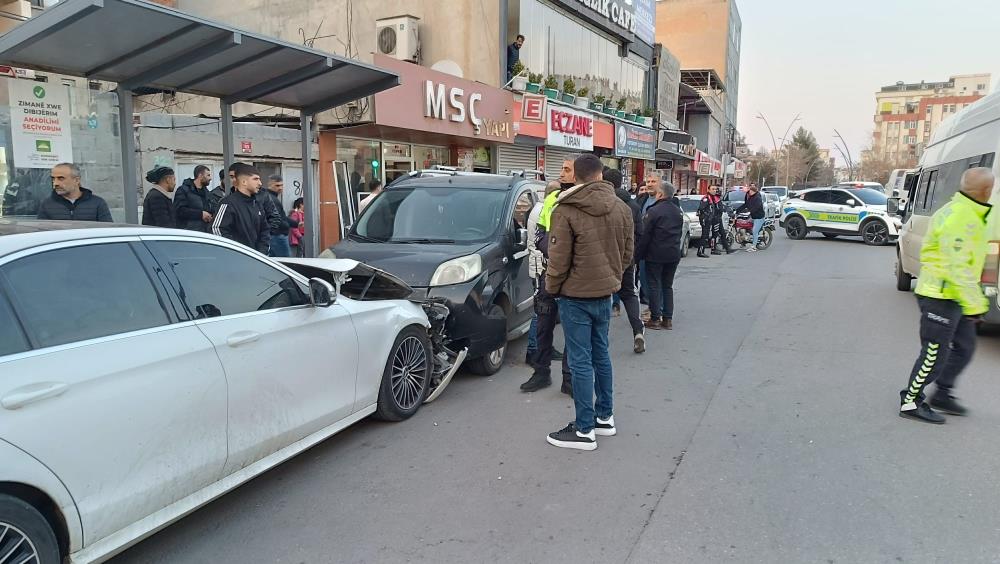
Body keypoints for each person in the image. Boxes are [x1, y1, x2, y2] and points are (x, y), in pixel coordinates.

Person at [545, 154, 633, 451]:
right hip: (605, 293)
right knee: (601, 354)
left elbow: (558, 260)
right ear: (600, 174)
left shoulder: (566, 209)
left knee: (580, 360)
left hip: (575, 296)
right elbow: (627, 254)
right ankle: (604, 418)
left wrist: (553, 288)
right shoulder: (621, 207)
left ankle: (584, 430)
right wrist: (612, 278)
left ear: (576, 176)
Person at [899, 167, 995, 424]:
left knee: (965, 347)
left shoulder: (978, 214)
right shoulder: (958, 218)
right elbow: (956, 265)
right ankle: (911, 400)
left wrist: (972, 299)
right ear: (987, 190)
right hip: (939, 295)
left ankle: (942, 394)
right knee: (934, 351)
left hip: (957, 295)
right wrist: (975, 303)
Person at [520, 173, 571, 394]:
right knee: (543, 326)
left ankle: (569, 379)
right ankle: (541, 372)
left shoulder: (580, 199)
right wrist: (555, 248)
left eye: (567, 169)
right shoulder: (550, 201)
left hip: (572, 278)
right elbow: (540, 235)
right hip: (547, 275)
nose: (562, 173)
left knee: (572, 330)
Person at [636, 179, 684, 331]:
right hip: (673, 254)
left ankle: (655, 318)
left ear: (661, 194)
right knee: (667, 286)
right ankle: (668, 318)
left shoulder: (654, 211)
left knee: (654, 285)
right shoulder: (677, 211)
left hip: (655, 254)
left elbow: (645, 236)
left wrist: (637, 256)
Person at [607, 167, 646, 353]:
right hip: (626, 258)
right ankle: (638, 330)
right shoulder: (633, 206)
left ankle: (600, 340)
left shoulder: (604, 203)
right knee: (629, 294)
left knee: (601, 296)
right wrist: (631, 256)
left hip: (605, 258)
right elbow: (639, 233)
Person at [212, 162, 270, 254]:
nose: (260, 183)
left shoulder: (257, 203)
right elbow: (217, 229)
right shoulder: (227, 203)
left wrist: (261, 253)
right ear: (244, 182)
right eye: (255, 179)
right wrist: (237, 252)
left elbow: (265, 231)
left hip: (256, 260)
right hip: (235, 261)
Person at [37, 163, 113, 222]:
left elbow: (108, 232)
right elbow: (41, 234)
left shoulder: (97, 203)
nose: (55, 183)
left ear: (77, 180)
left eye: (61, 178)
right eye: (53, 179)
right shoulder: (47, 205)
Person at [261, 174, 300, 257]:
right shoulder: (271, 198)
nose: (280, 188)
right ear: (270, 185)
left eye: (282, 185)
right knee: (286, 263)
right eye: (277, 185)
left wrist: (296, 224)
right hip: (277, 235)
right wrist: (286, 226)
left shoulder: (271, 197)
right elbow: (278, 219)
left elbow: (281, 217)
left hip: (274, 235)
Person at [174, 164, 214, 232]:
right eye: (208, 175)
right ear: (200, 175)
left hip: (206, 232)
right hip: (190, 233)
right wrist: (200, 214)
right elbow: (179, 211)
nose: (210, 178)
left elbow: (211, 208)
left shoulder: (207, 193)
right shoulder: (183, 190)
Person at [736, 184, 766, 252]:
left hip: (759, 217)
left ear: (753, 191)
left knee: (755, 231)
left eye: (750, 191)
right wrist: (737, 210)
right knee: (744, 225)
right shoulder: (750, 197)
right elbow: (745, 205)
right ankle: (744, 241)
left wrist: (749, 212)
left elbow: (757, 207)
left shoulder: (757, 197)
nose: (749, 192)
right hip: (753, 216)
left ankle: (754, 247)